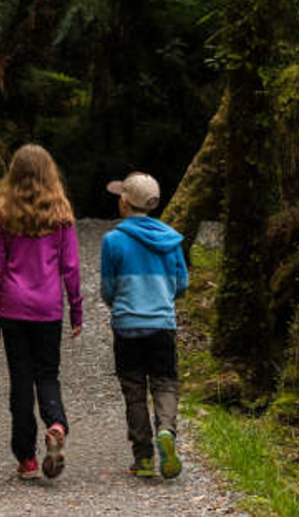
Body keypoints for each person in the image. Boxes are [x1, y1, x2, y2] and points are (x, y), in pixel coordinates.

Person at [0, 144, 83, 480]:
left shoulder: (5, 214)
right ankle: (56, 424)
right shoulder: (61, 215)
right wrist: (77, 310)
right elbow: (70, 267)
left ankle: (26, 458)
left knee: (21, 381)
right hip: (48, 309)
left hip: (13, 307)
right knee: (48, 375)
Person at [100, 172, 188, 479]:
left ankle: (143, 458)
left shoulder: (113, 241)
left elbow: (108, 288)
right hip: (162, 324)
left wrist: (119, 304)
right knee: (164, 382)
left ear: (124, 203)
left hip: (127, 326)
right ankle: (166, 430)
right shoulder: (171, 239)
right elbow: (181, 284)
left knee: (134, 390)